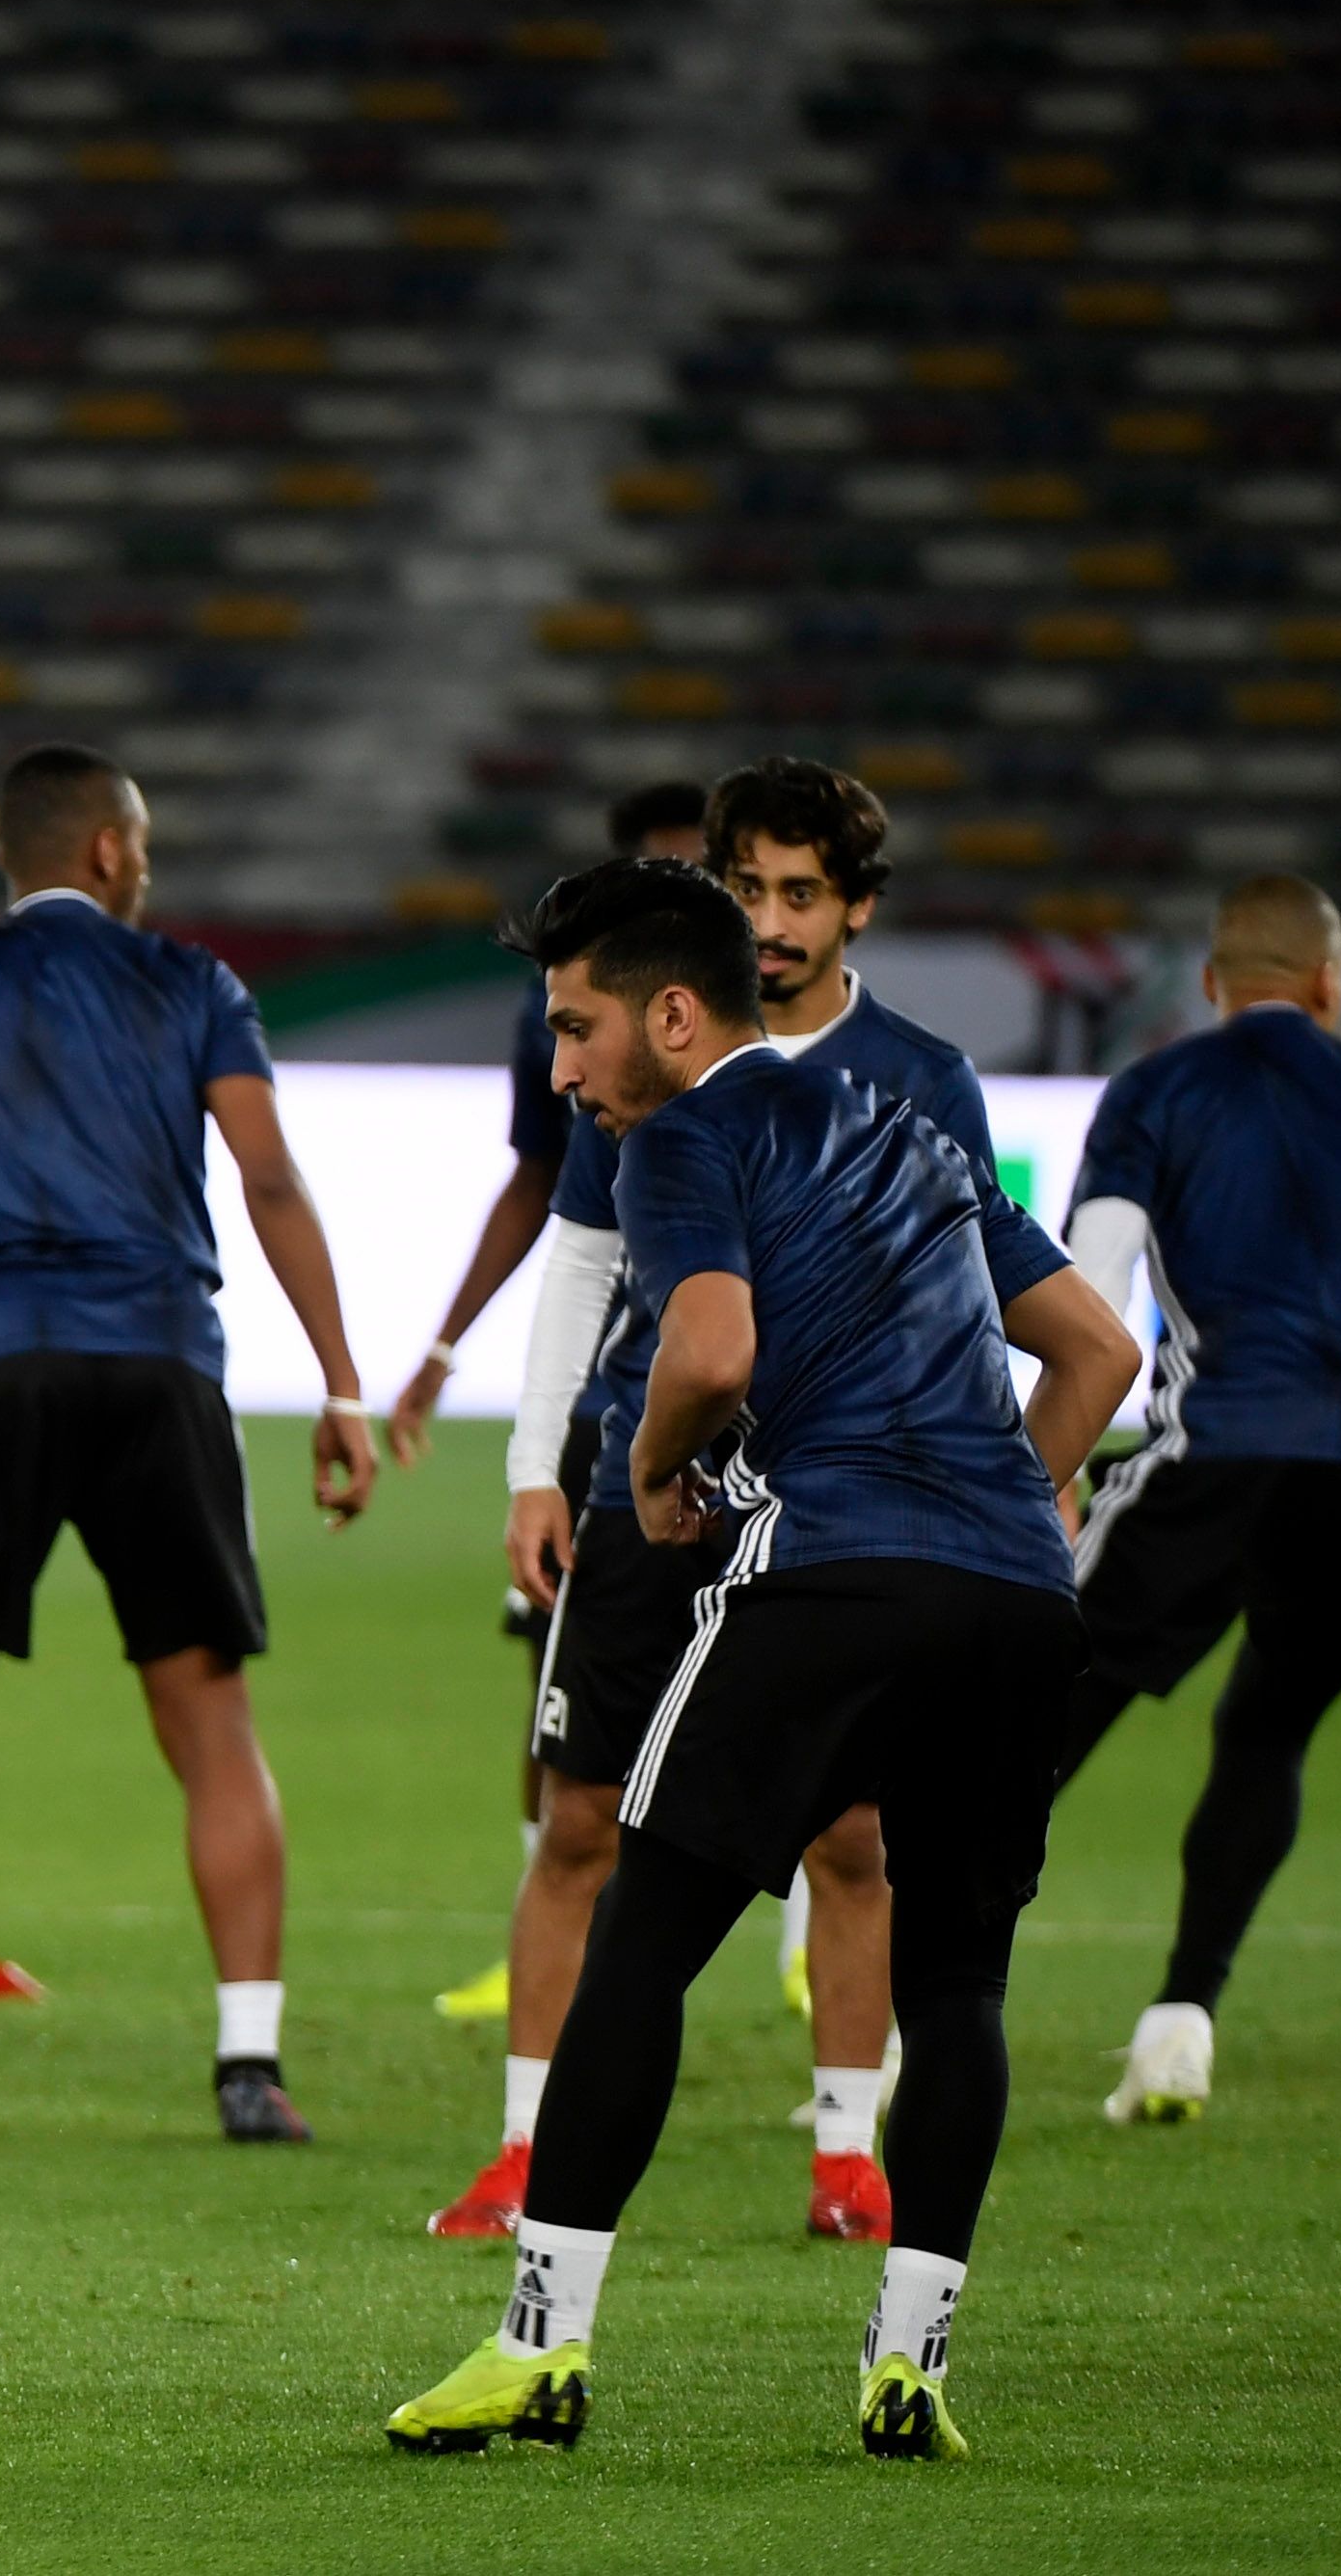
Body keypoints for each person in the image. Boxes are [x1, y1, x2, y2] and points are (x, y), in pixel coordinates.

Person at [386, 858, 1135, 2463]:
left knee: (641, 1936)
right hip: (1014, 1593)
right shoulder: (918, 1136)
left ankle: (539, 2346)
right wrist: (998, 1496)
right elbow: (1096, 1350)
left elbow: (707, 1349)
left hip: (826, 1570)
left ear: (671, 1011)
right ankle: (907, 2363)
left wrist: (657, 1467)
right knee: (958, 1980)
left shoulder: (682, 1137)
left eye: (576, 1028)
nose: (562, 1072)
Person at [430, 758, 971, 2247]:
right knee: (579, 1818)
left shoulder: (917, 1076)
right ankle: (526, 2145)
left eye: (803, 892)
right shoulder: (642, 1074)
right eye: (751, 888)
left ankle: (847, 2150)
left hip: (823, 1498)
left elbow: (962, 1296)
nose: (776, 918)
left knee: (849, 1831)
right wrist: (540, 1465)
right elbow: (586, 1265)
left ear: (854, 906)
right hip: (638, 1484)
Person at [0, 745, 374, 2144]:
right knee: (209, 1721)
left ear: (8, 860)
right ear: (112, 850)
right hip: (164, 1364)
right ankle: (249, 2061)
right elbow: (270, 1178)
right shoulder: (195, 985)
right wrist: (344, 1383)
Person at [1051, 873, 1341, 2123]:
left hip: (1227, 1447)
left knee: (1021, 1713)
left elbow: (1089, 1288)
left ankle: (890, 2022)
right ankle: (1180, 2020)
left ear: (1212, 985)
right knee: (1268, 1725)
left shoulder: (1154, 1089)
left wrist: (1034, 1468)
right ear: (1328, 984)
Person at [393, 780, 708, 2028]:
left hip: (760, 1438)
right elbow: (555, 1199)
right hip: (618, 1418)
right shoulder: (576, 1035)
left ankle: (818, 1967)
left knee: (817, 1739)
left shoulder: (826, 1070)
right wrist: (441, 1347)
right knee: (562, 1706)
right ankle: (546, 1938)